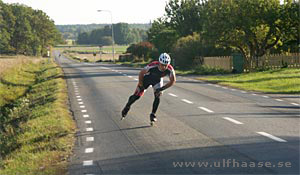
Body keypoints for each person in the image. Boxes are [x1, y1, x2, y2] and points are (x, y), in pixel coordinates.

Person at [121, 53, 176, 125]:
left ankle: (153, 114)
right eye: (162, 65)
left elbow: (172, 81)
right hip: (146, 79)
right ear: (159, 63)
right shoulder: (152, 65)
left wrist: (162, 89)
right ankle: (127, 106)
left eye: (166, 65)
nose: (164, 67)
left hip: (157, 81)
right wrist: (140, 84)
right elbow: (141, 73)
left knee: (158, 95)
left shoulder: (170, 69)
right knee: (137, 96)